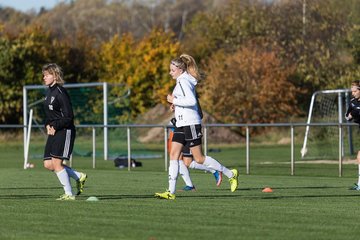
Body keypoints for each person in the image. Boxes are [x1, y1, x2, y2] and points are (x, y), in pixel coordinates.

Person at [155, 54, 239, 200]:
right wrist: (176, 106)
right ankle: (170, 192)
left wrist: (174, 100)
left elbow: (192, 101)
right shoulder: (182, 80)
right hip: (181, 123)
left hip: (190, 123)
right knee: (174, 155)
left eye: (172, 70)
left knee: (199, 159)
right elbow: (185, 101)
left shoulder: (184, 81)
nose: (170, 73)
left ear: (180, 70)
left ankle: (230, 174)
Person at [42, 63, 87, 200]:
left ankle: (69, 194)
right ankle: (78, 176)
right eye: (43, 75)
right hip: (54, 130)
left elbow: (68, 117)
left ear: (55, 76)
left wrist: (55, 126)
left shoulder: (61, 92)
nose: (44, 77)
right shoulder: (49, 92)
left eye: (47, 75)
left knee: (56, 163)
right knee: (48, 164)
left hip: (65, 130)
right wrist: (48, 125)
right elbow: (51, 116)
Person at [168, 119, 222, 191]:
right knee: (179, 159)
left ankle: (214, 169)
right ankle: (190, 185)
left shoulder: (188, 113)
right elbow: (172, 124)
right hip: (180, 133)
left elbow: (199, 115)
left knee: (192, 161)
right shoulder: (178, 113)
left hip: (189, 132)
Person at [345, 80, 360, 191]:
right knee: (359, 158)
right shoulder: (352, 102)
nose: (353, 93)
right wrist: (350, 115)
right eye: (352, 91)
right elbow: (347, 116)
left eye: (354, 91)